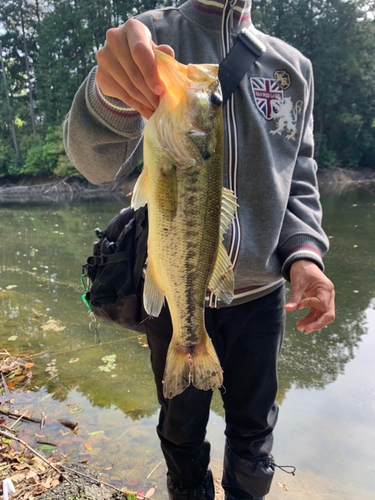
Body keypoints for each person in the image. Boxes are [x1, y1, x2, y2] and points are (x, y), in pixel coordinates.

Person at [63, 1, 335, 498]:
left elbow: (300, 175)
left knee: (254, 434)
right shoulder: (148, 37)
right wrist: (110, 96)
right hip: (173, 294)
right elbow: (95, 164)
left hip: (263, 295)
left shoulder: (294, 68)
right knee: (181, 433)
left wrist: (305, 255)